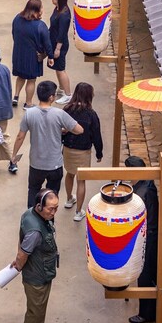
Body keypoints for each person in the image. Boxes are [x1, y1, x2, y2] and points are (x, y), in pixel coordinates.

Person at [12, 81, 83, 206]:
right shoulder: (59, 114)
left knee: (33, 190)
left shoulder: (29, 113)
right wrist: (65, 129)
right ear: (51, 97)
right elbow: (79, 130)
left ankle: (32, 219)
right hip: (54, 164)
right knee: (52, 195)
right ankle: (49, 221)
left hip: (36, 163)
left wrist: (14, 155)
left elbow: (20, 137)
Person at [12, 189, 60, 323]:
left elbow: (21, 243)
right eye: (50, 209)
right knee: (35, 313)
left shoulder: (29, 214)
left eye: (56, 208)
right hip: (37, 277)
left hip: (40, 270)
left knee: (38, 311)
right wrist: (18, 264)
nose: (54, 212)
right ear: (39, 206)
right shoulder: (35, 231)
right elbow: (23, 254)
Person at [61, 83, 103, 221]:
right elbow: (96, 135)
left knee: (69, 174)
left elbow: (60, 129)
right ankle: (78, 212)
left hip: (67, 148)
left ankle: (68, 199)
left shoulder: (67, 110)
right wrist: (99, 152)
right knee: (81, 181)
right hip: (83, 150)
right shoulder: (91, 114)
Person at [126, 156, 159, 323]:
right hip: (146, 235)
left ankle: (146, 313)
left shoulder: (146, 191)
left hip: (148, 238)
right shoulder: (144, 185)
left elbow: (151, 220)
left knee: (146, 276)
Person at [11, 0, 52, 108]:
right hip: (32, 57)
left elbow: (14, 34)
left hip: (18, 53)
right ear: (37, 10)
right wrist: (50, 56)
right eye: (41, 8)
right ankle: (28, 103)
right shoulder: (40, 25)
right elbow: (47, 43)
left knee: (20, 76)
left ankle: (15, 96)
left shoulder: (17, 19)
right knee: (31, 80)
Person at [47, 0, 71, 104]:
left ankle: (68, 94)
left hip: (59, 44)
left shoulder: (64, 15)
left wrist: (57, 48)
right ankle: (61, 89)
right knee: (57, 68)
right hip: (53, 41)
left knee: (61, 69)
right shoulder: (57, 9)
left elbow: (62, 33)